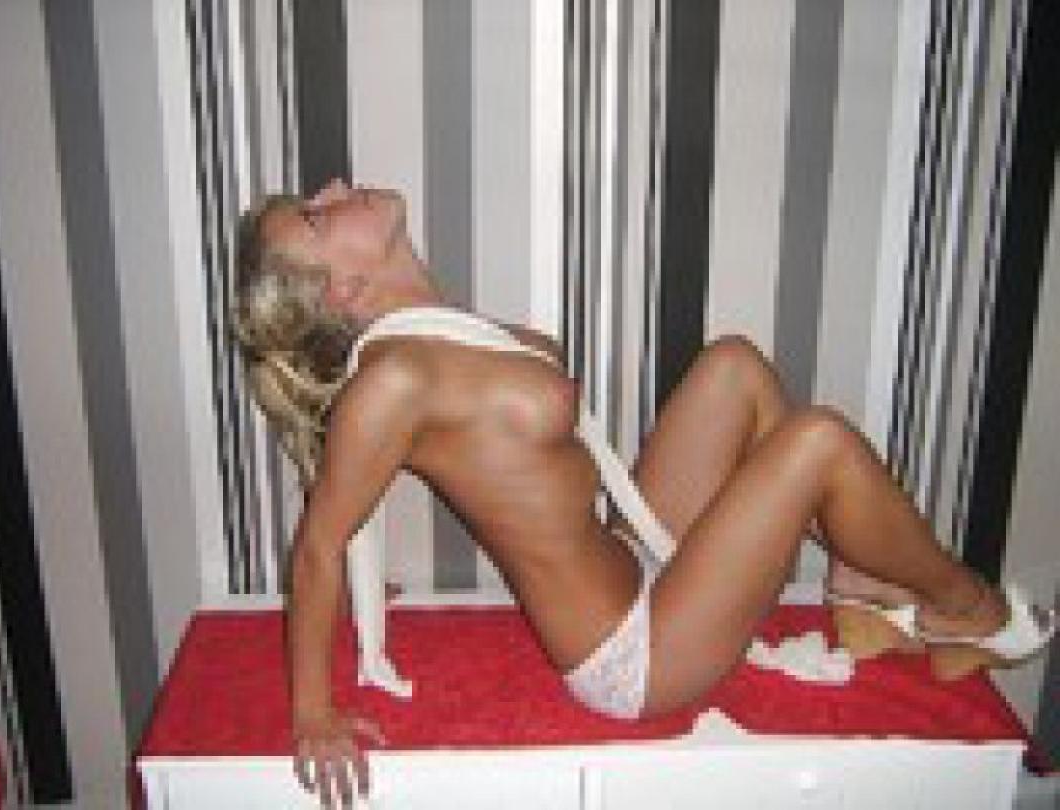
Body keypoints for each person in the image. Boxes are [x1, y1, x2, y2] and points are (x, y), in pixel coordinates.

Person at [233, 178, 1054, 807]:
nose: (333, 188)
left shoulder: (437, 335)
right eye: (314, 216)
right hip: (632, 657)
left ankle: (861, 580)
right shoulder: (396, 377)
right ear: (341, 290)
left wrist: (369, 589)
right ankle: (965, 612)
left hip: (632, 562)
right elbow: (320, 543)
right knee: (818, 441)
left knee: (732, 365)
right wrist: (313, 714)